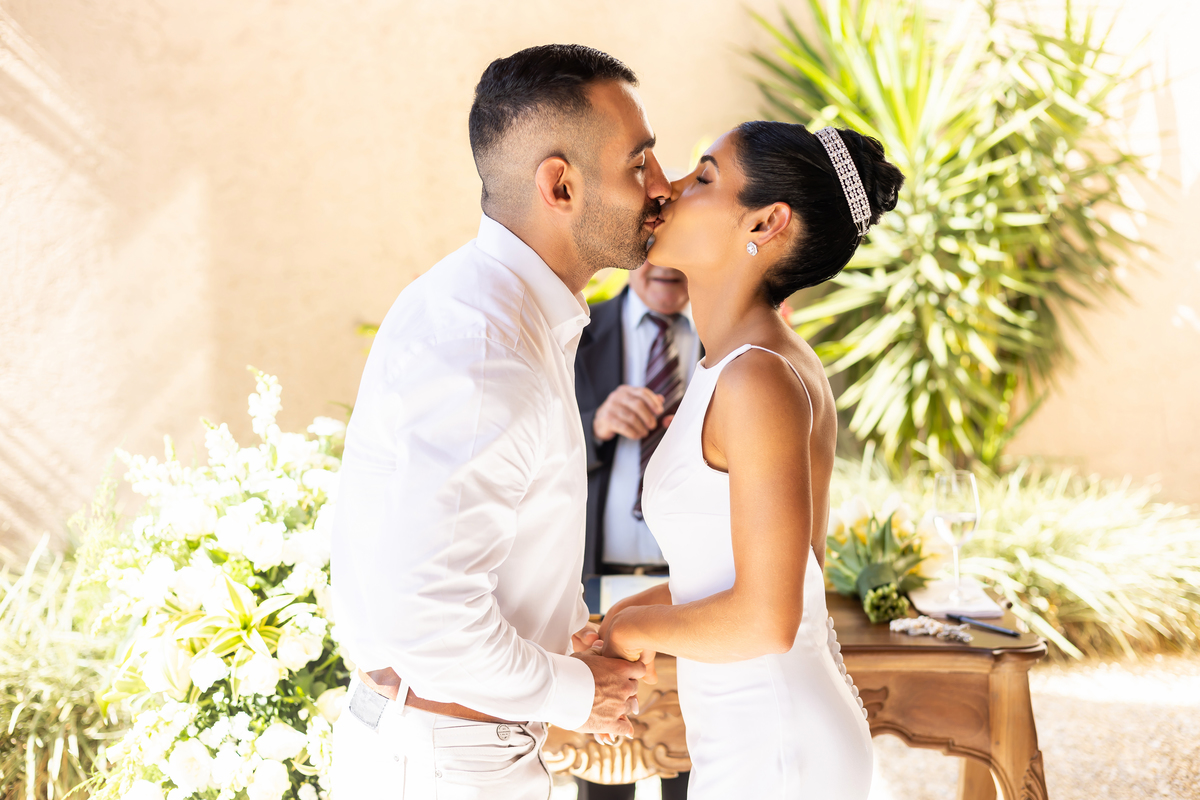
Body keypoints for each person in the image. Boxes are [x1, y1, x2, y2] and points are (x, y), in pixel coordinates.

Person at [330, 44, 672, 799]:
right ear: (561, 184)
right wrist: (581, 692)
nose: (662, 186)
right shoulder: (486, 348)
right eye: (638, 162)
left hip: (459, 742)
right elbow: (430, 618)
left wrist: (555, 631)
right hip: (450, 757)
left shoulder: (501, 311)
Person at [599, 121, 905, 799]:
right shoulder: (739, 365)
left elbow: (768, 616)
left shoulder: (757, 378)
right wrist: (618, 620)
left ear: (766, 223)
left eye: (704, 177)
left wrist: (637, 626)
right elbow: (735, 572)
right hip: (752, 733)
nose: (671, 189)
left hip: (776, 747)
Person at [573, 261, 697, 800]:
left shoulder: (727, 342)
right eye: (654, 251)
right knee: (602, 771)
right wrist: (596, 423)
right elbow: (527, 453)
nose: (667, 266)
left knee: (694, 764)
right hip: (597, 585)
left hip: (693, 587)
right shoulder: (577, 331)